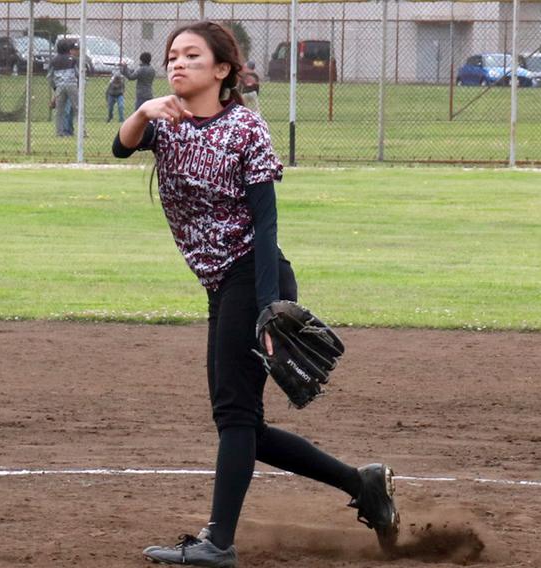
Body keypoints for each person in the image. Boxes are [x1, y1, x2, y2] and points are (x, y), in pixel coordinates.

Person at [112, 20, 399, 568]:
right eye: (173, 55)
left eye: (191, 56)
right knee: (243, 424)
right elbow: (122, 147)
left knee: (236, 416)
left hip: (254, 276)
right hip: (222, 286)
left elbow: (265, 225)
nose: (177, 63)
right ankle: (361, 484)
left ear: (221, 70)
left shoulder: (245, 128)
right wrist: (144, 110)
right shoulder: (164, 122)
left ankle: (219, 543)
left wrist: (270, 306)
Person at [47, 39, 79, 137]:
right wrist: (79, 84)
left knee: (59, 110)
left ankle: (59, 132)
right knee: (77, 108)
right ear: (68, 48)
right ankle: (82, 132)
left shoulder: (53, 60)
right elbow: (78, 73)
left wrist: (55, 87)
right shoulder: (73, 59)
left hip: (59, 86)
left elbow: (49, 76)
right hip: (71, 85)